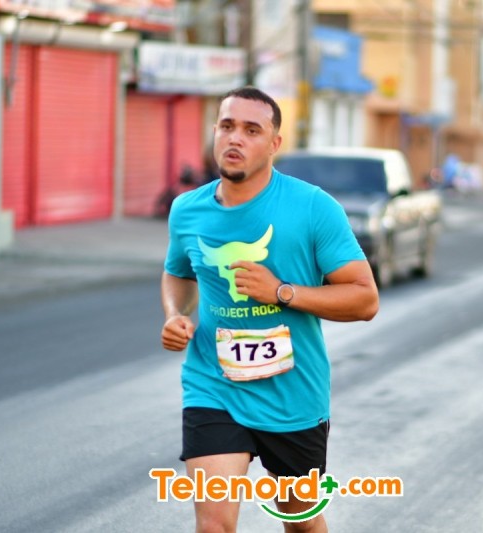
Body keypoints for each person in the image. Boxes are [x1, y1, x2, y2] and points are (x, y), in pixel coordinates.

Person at [160, 86, 379, 532]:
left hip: (292, 394)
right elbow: (178, 272)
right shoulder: (187, 210)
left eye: (251, 130)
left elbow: (365, 298)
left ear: (275, 143)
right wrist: (174, 314)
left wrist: (281, 292)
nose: (235, 138)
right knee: (214, 525)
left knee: (300, 521)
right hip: (214, 386)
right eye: (227, 126)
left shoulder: (313, 207)